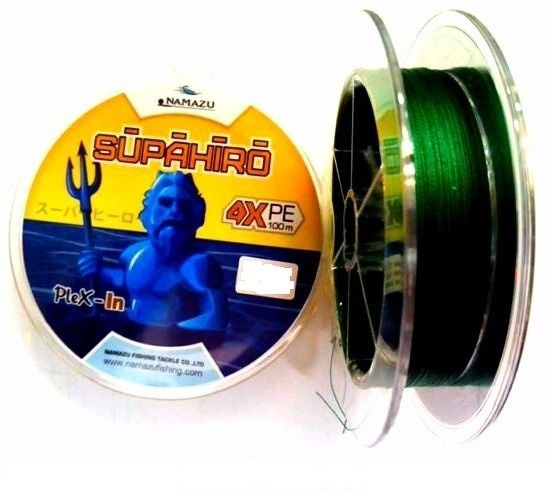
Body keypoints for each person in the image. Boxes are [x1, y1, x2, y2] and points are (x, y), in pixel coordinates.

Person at [78, 171, 228, 333]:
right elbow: (127, 280)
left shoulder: (199, 265)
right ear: (147, 214)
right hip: (130, 332)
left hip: (170, 341)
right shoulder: (132, 254)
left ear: (197, 217)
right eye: (165, 203)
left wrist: (172, 335)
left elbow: (216, 318)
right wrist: (99, 270)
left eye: (184, 205)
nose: (175, 210)